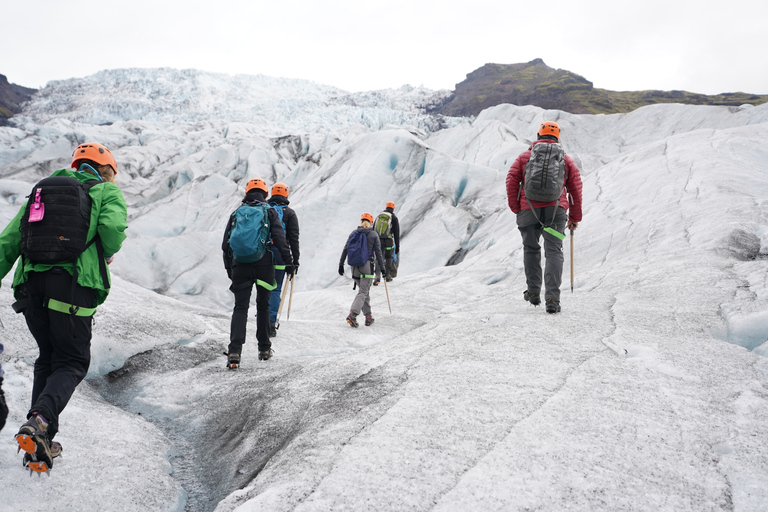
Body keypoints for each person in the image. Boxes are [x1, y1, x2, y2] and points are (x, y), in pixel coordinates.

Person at [0, 142, 127, 473]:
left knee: (48, 358)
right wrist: (107, 250)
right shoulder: (105, 193)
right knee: (72, 361)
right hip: (72, 286)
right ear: (108, 171)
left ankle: (39, 442)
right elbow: (112, 232)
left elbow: (11, 239)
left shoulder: (41, 191)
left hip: (30, 288)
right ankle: (39, 422)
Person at [506, 121, 583, 314]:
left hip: (528, 210)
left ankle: (533, 294)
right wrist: (575, 217)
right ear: (557, 138)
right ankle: (552, 299)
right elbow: (575, 190)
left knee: (531, 250)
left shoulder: (525, 157)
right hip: (556, 211)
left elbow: (511, 181)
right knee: (554, 252)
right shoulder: (566, 160)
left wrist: (516, 208)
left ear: (538, 136)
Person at [223, 179, 294, 367]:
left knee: (240, 308)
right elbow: (280, 238)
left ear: (247, 193)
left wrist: (230, 269)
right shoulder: (269, 211)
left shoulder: (236, 213)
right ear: (265, 194)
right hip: (264, 265)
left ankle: (234, 351)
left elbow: (226, 245)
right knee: (263, 306)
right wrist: (289, 262)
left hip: (240, 265)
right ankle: (264, 348)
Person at [339, 212, 386, 327]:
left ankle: (368, 317)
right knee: (363, 292)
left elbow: (345, 249)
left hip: (354, 267)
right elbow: (379, 254)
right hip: (366, 267)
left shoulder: (353, 233)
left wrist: (341, 264)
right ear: (371, 222)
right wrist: (383, 269)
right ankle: (352, 315)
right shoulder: (373, 235)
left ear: (361, 221)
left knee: (364, 292)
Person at [267, 183, 300, 337]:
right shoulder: (290, 213)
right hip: (281, 254)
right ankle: (270, 322)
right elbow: (293, 238)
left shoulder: (264, 210)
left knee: (264, 287)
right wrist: (294, 261)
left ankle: (262, 317)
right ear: (286, 196)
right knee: (275, 288)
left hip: (263, 254)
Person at [373, 201, 400, 285]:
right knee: (388, 257)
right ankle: (387, 276)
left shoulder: (379, 216)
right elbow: (396, 232)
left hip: (378, 240)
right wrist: (397, 246)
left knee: (378, 257)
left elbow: (373, 229)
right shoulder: (393, 218)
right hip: (388, 241)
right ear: (393, 208)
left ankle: (377, 276)